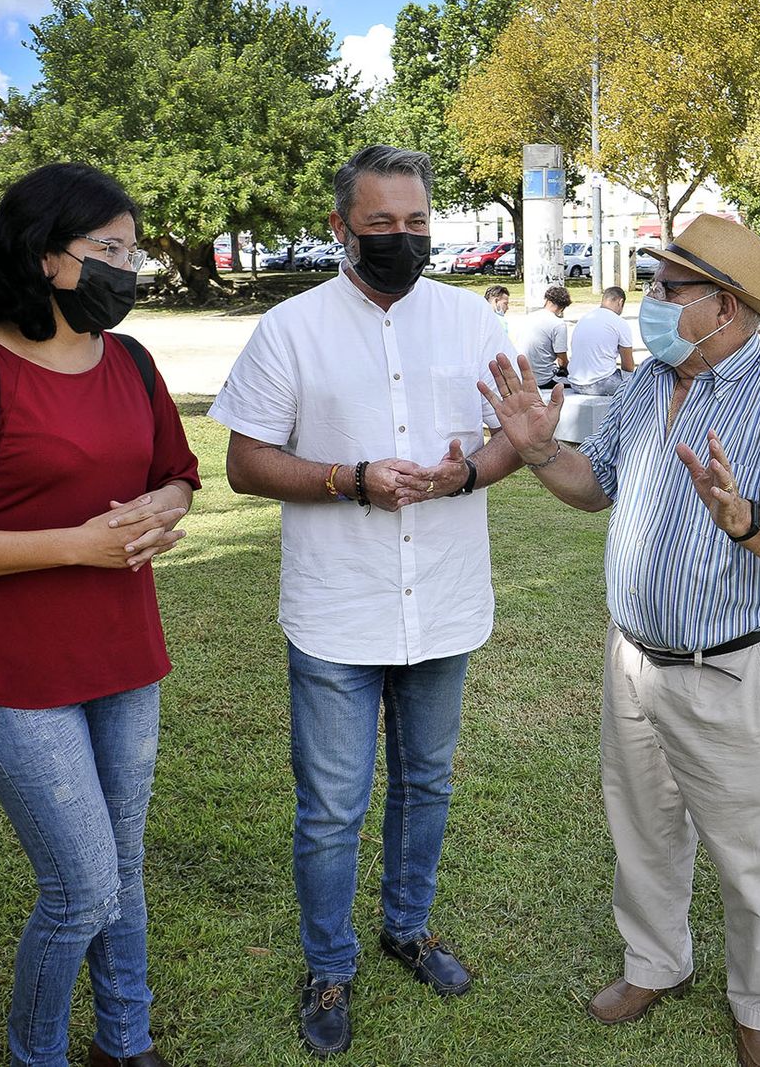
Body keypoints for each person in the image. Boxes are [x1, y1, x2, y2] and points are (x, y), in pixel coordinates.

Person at [479, 215, 760, 1067]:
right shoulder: (650, 385)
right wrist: (539, 452)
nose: (650, 302)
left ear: (722, 307)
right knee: (643, 828)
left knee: (751, 856)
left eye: (667, 289)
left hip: (734, 671)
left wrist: (744, 518)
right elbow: (596, 485)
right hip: (633, 660)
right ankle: (656, 961)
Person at [0, 162, 200, 1067]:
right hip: (11, 668)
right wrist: (76, 543)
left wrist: (163, 509)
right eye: (111, 251)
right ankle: (38, 1054)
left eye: (132, 253)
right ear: (46, 253)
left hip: (123, 651)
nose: (129, 270)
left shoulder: (131, 361)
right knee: (82, 888)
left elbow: (177, 471)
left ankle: (125, 1043)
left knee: (123, 873)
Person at [207, 144, 526, 1058]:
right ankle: (329, 963)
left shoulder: (472, 322)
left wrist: (466, 473)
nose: (402, 238)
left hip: (446, 602)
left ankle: (407, 927)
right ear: (343, 226)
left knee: (426, 784)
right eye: (381, 224)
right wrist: (351, 478)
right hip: (338, 612)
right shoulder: (291, 329)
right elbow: (244, 462)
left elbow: (513, 438)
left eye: (417, 222)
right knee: (333, 807)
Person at [567, 285, 635, 395]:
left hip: (575, 383)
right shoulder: (619, 322)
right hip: (600, 384)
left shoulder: (585, 318)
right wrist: (631, 384)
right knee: (643, 385)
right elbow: (628, 365)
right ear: (620, 302)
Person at [518, 284, 571, 387]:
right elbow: (562, 361)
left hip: (522, 376)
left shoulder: (528, 317)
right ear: (563, 308)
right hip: (543, 379)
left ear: (546, 300)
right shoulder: (558, 324)